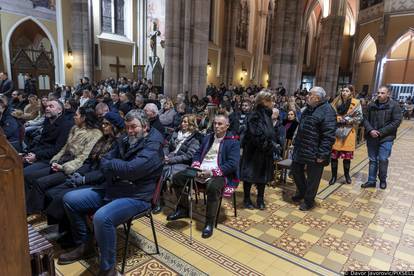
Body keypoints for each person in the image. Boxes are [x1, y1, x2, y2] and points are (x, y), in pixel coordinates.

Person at [58, 110, 164, 275]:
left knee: (102, 217)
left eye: (134, 127)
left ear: (145, 127)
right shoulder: (124, 139)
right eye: (127, 127)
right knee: (69, 199)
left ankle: (108, 269)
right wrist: (117, 167)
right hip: (115, 188)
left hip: (137, 196)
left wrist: (114, 166)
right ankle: (85, 244)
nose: (130, 131)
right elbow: (103, 159)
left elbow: (131, 170)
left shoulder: (154, 147)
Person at [44, 112, 124, 246]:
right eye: (102, 123)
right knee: (52, 192)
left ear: (115, 126)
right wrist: (77, 174)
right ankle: (65, 229)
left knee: (63, 196)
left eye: (106, 124)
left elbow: (104, 171)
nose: (103, 126)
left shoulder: (119, 144)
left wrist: (83, 179)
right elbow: (88, 161)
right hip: (88, 175)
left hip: (100, 182)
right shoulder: (102, 139)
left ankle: (78, 237)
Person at [167, 112, 240, 238]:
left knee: (212, 187)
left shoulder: (233, 142)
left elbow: (232, 164)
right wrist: (195, 165)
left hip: (220, 174)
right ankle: (183, 209)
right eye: (215, 123)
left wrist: (211, 172)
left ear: (227, 126)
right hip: (200, 170)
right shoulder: (208, 137)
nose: (216, 126)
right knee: (177, 179)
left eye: (220, 124)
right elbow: (197, 153)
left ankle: (209, 222)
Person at [25, 106, 102, 214]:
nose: (74, 117)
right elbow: (65, 148)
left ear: (84, 118)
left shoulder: (95, 133)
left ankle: (33, 212)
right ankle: (33, 208)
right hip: (63, 161)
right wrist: (55, 160)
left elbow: (84, 157)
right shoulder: (75, 128)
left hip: (74, 167)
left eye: (76, 115)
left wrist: (64, 167)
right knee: (30, 176)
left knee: (41, 182)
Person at [291, 87, 337, 211]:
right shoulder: (309, 108)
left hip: (316, 150)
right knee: (295, 169)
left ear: (316, 98)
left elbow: (328, 136)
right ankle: (302, 192)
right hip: (302, 147)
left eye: (309, 94)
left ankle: (308, 201)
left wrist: (322, 154)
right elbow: (302, 125)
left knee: (313, 178)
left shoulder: (328, 111)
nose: (307, 96)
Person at [153, 114, 201, 213]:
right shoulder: (176, 133)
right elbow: (167, 147)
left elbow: (189, 156)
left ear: (191, 124)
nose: (182, 124)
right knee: (155, 169)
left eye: (185, 122)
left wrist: (170, 160)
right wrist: (164, 155)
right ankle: (157, 199)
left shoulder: (195, 138)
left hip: (184, 163)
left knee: (165, 172)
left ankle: (178, 206)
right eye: (182, 121)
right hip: (170, 159)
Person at [241, 91, 281, 210]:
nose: (273, 103)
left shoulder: (267, 114)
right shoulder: (255, 115)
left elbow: (269, 132)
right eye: (271, 100)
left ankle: (260, 199)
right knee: (249, 176)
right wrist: (269, 145)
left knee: (262, 177)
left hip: (265, 151)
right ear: (264, 101)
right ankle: (247, 199)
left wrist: (272, 144)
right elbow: (256, 135)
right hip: (253, 151)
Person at [361, 86, 402, 189]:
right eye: (378, 92)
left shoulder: (394, 106)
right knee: (373, 159)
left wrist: (380, 132)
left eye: (382, 93)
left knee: (383, 159)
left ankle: (382, 179)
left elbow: (396, 121)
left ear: (388, 94)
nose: (379, 95)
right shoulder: (371, 105)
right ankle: (371, 180)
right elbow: (364, 119)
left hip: (386, 137)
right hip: (372, 136)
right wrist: (370, 130)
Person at [329, 85, 363, 185]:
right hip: (336, 131)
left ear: (351, 93)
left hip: (348, 132)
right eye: (343, 90)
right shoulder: (335, 102)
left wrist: (348, 120)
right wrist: (336, 119)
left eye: (347, 91)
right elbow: (330, 115)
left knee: (346, 157)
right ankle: (334, 176)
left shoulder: (356, 103)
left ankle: (347, 176)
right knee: (334, 156)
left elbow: (360, 118)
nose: (344, 92)